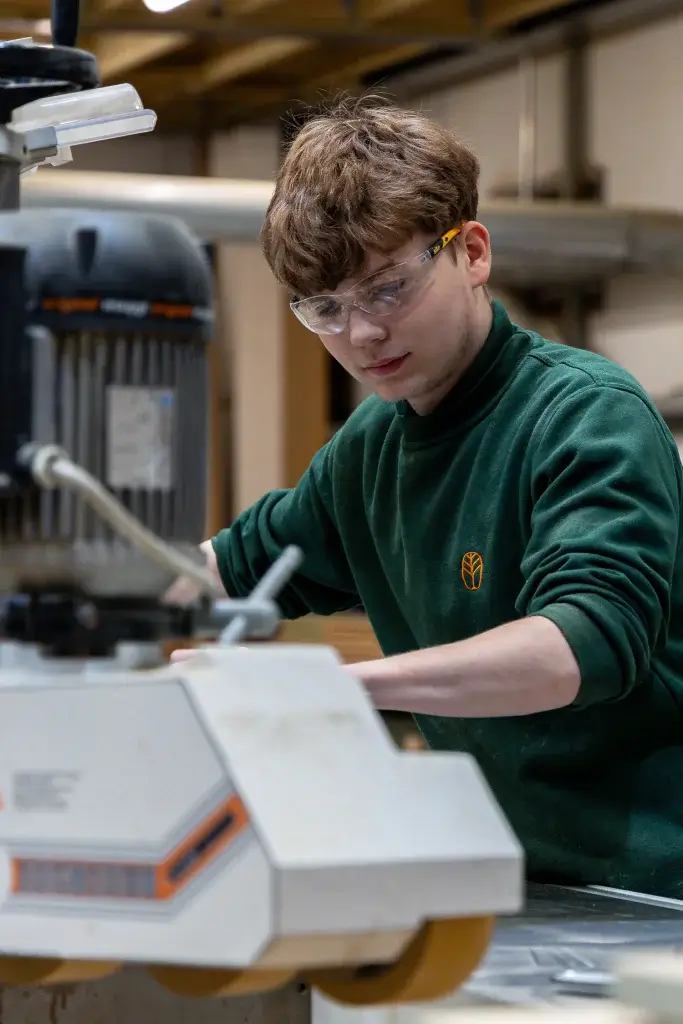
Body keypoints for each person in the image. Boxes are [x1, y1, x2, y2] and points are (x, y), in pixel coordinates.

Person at [166, 93, 683, 899]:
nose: (360, 335)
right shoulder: (368, 452)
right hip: (512, 883)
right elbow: (230, 567)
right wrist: (80, 598)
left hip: (651, 891)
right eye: (324, 310)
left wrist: (334, 686)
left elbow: (580, 648)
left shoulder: (583, 414)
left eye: (386, 289)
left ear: (471, 252)